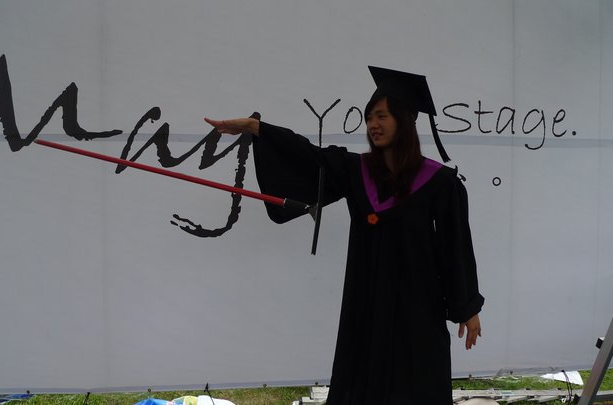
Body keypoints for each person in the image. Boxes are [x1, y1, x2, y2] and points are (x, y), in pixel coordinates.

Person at [205, 66, 483, 404]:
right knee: (362, 380)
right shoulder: (356, 170)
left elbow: (455, 247)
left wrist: (467, 306)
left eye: (381, 116)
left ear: (405, 121)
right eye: (369, 118)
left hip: (417, 306)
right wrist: (256, 128)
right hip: (366, 304)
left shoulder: (439, 183)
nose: (373, 125)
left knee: (415, 382)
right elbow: (306, 154)